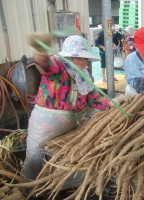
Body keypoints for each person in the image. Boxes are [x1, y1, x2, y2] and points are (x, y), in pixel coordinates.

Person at [21, 34, 110, 181]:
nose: (83, 61)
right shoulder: (58, 67)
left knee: (64, 158)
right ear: (68, 56)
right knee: (35, 156)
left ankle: (60, 186)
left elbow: (93, 98)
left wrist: (112, 104)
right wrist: (40, 50)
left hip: (69, 125)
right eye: (78, 57)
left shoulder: (85, 76)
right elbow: (44, 65)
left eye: (84, 58)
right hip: (45, 124)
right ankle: (26, 189)